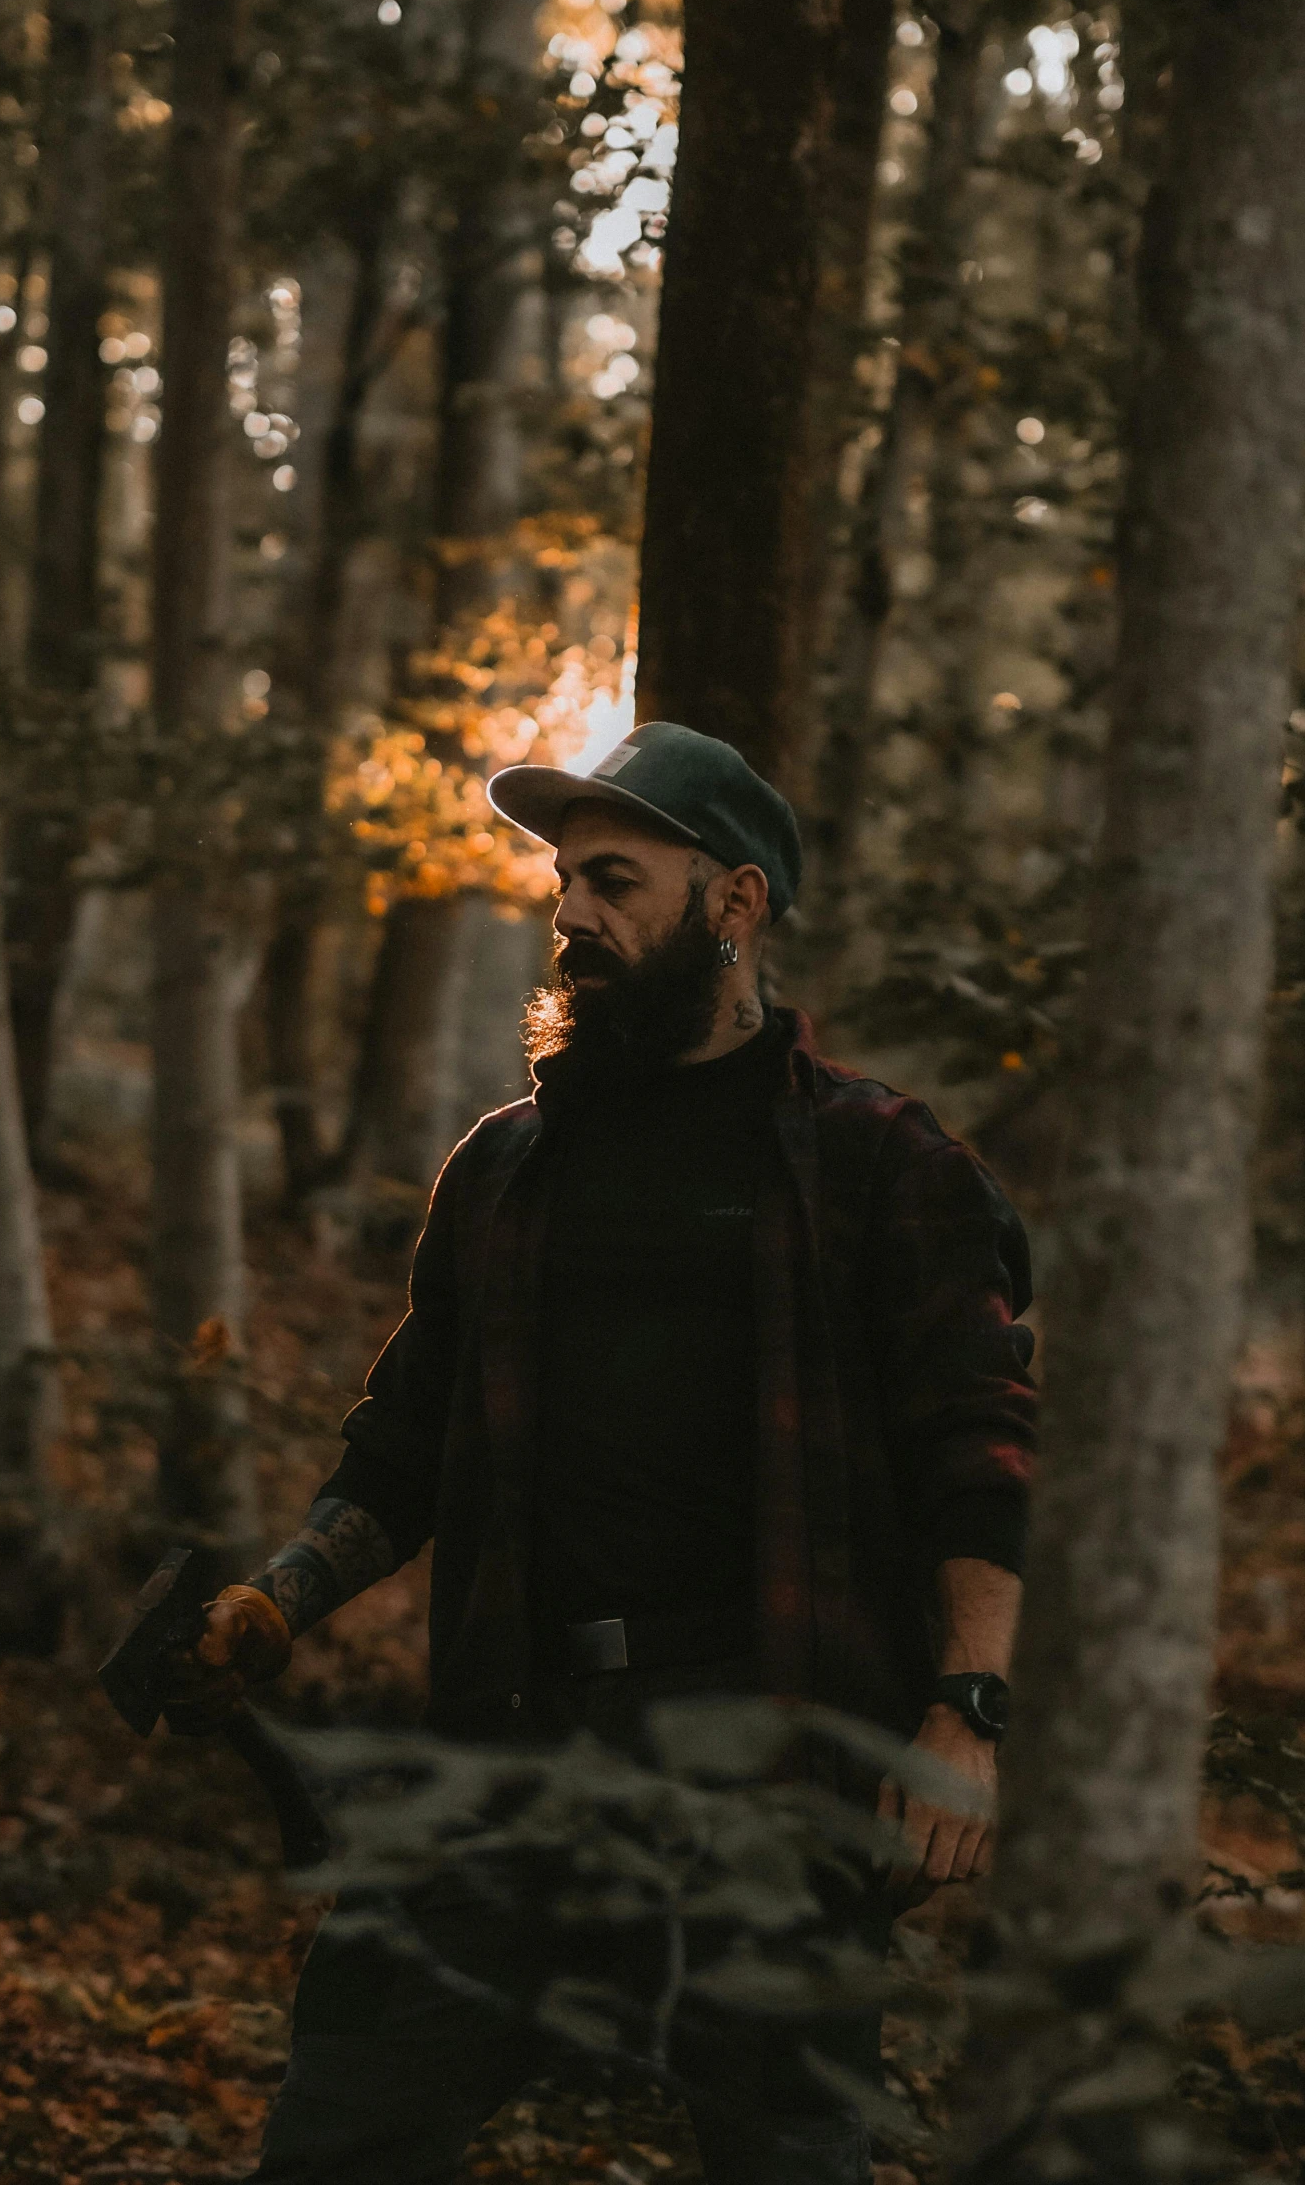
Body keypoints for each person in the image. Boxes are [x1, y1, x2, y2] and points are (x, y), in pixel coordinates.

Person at [189, 724, 1037, 2184]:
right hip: (519, 1741)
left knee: (787, 2149)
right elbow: (403, 1447)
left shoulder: (879, 1169)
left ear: (737, 902)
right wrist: (279, 1597)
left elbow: (979, 1450)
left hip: (766, 1761)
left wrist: (962, 1716)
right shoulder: (506, 1169)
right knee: (344, 2122)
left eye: (617, 882)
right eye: (567, 881)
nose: (572, 913)